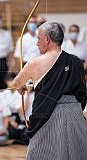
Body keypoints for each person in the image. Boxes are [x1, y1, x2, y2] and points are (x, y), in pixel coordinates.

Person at [13, 22, 87, 160]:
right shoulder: (77, 61)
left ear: (47, 39)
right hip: (75, 114)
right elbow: (81, 92)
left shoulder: (34, 63)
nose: (36, 43)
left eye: (38, 38)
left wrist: (24, 87)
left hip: (48, 115)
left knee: (42, 152)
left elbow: (17, 83)